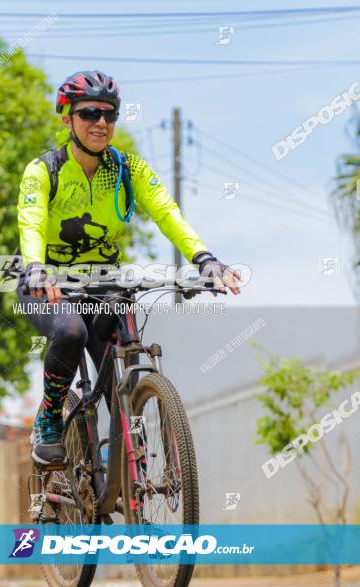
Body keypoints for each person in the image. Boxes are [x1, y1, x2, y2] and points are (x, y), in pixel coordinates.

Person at [16, 70, 241, 465]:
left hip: (102, 282)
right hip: (45, 283)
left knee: (124, 370)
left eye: (109, 114)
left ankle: (123, 465)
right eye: (89, 113)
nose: (101, 123)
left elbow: (167, 213)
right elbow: (31, 221)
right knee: (70, 331)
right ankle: (50, 418)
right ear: (67, 118)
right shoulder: (44, 170)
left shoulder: (128, 170)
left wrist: (204, 258)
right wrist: (36, 268)